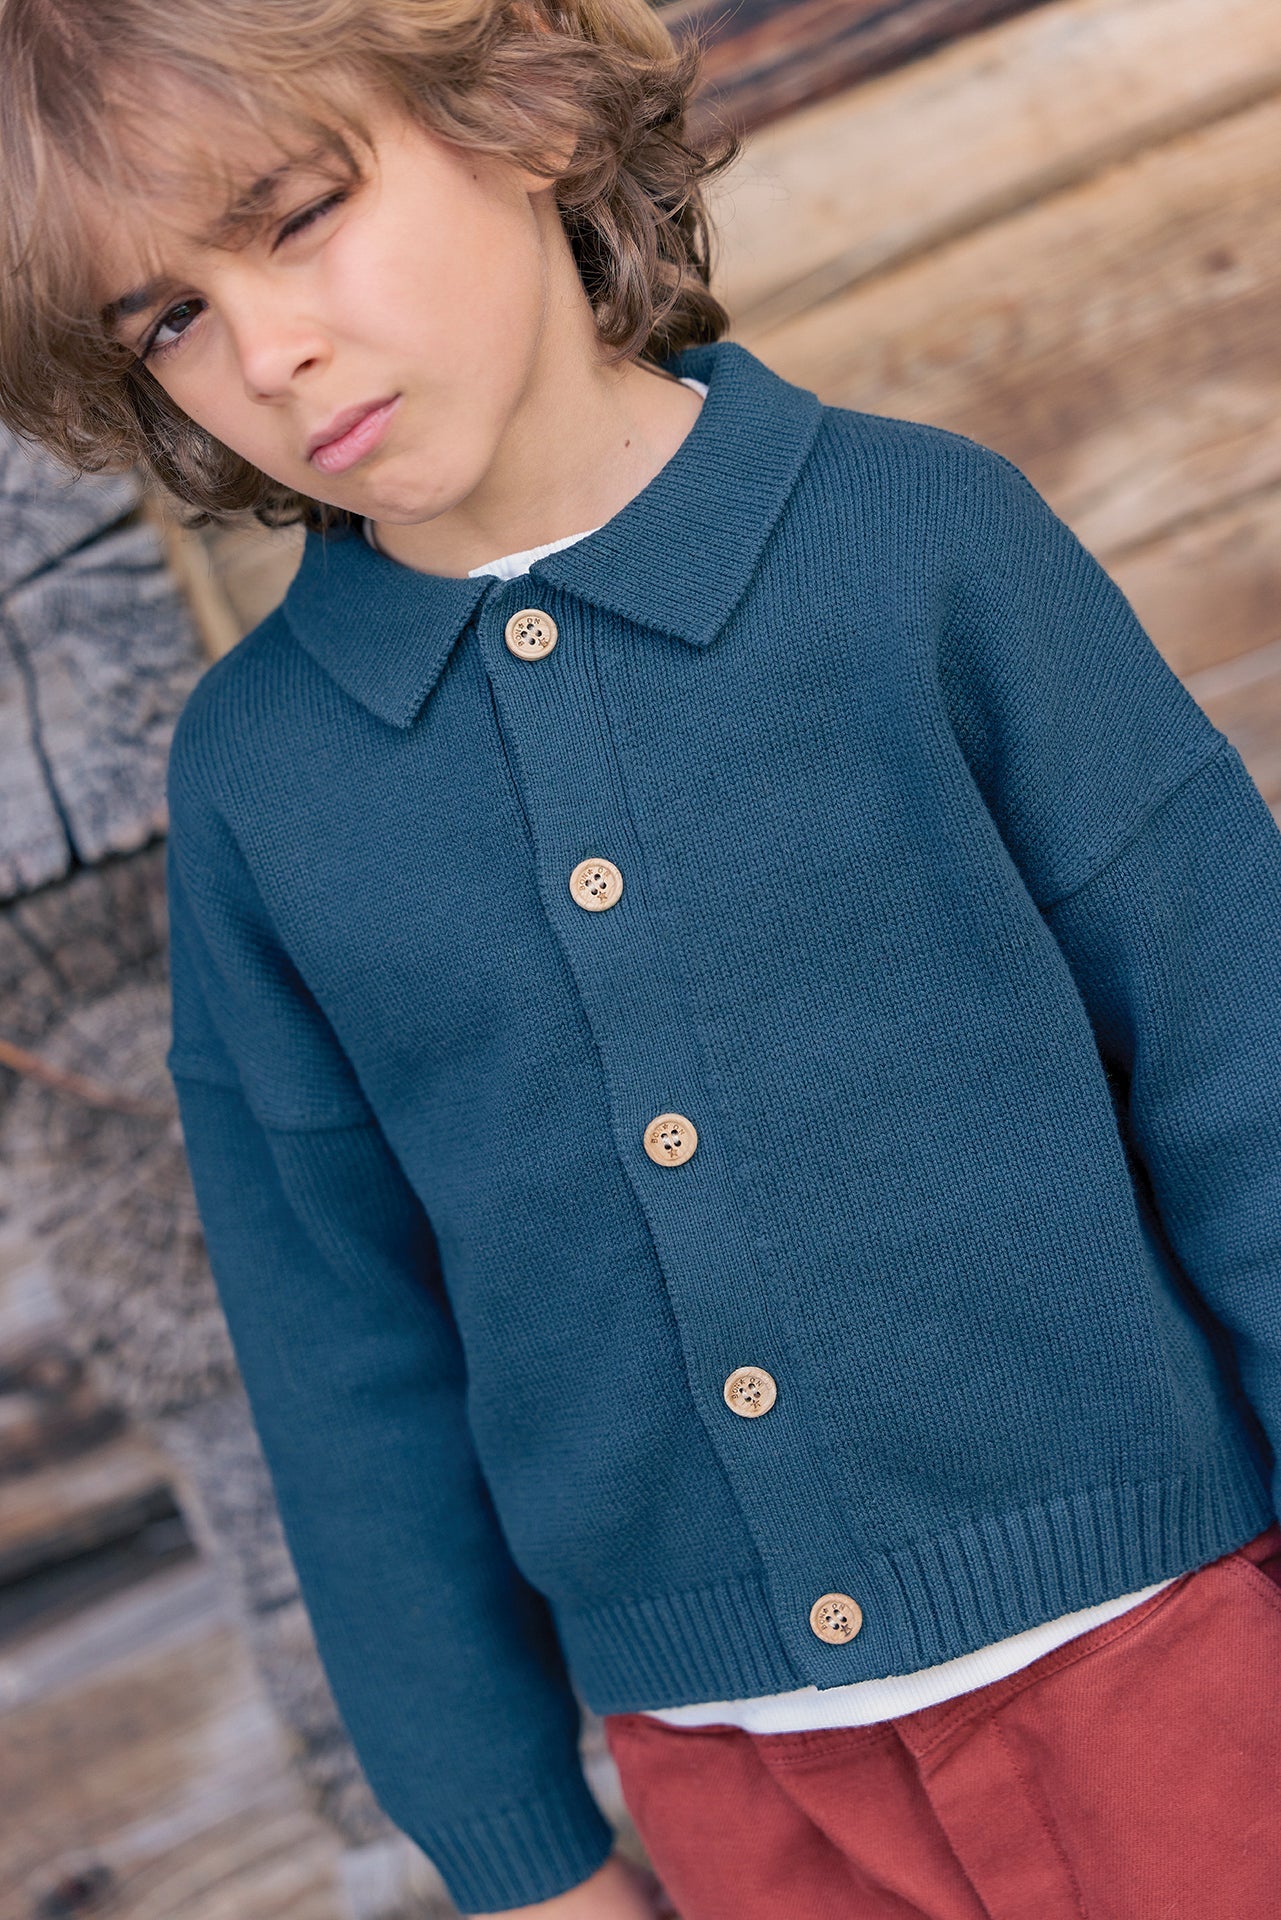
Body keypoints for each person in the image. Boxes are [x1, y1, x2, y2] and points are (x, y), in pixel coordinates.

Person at [2, 1, 1279, 1915]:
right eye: (169, 318)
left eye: (299, 215)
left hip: (1169, 1673)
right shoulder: (263, 786)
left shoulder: (917, 545)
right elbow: (338, 1353)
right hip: (739, 1792)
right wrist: (513, 1847)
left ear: (514, 112)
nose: (264, 353)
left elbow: (1243, 1074)